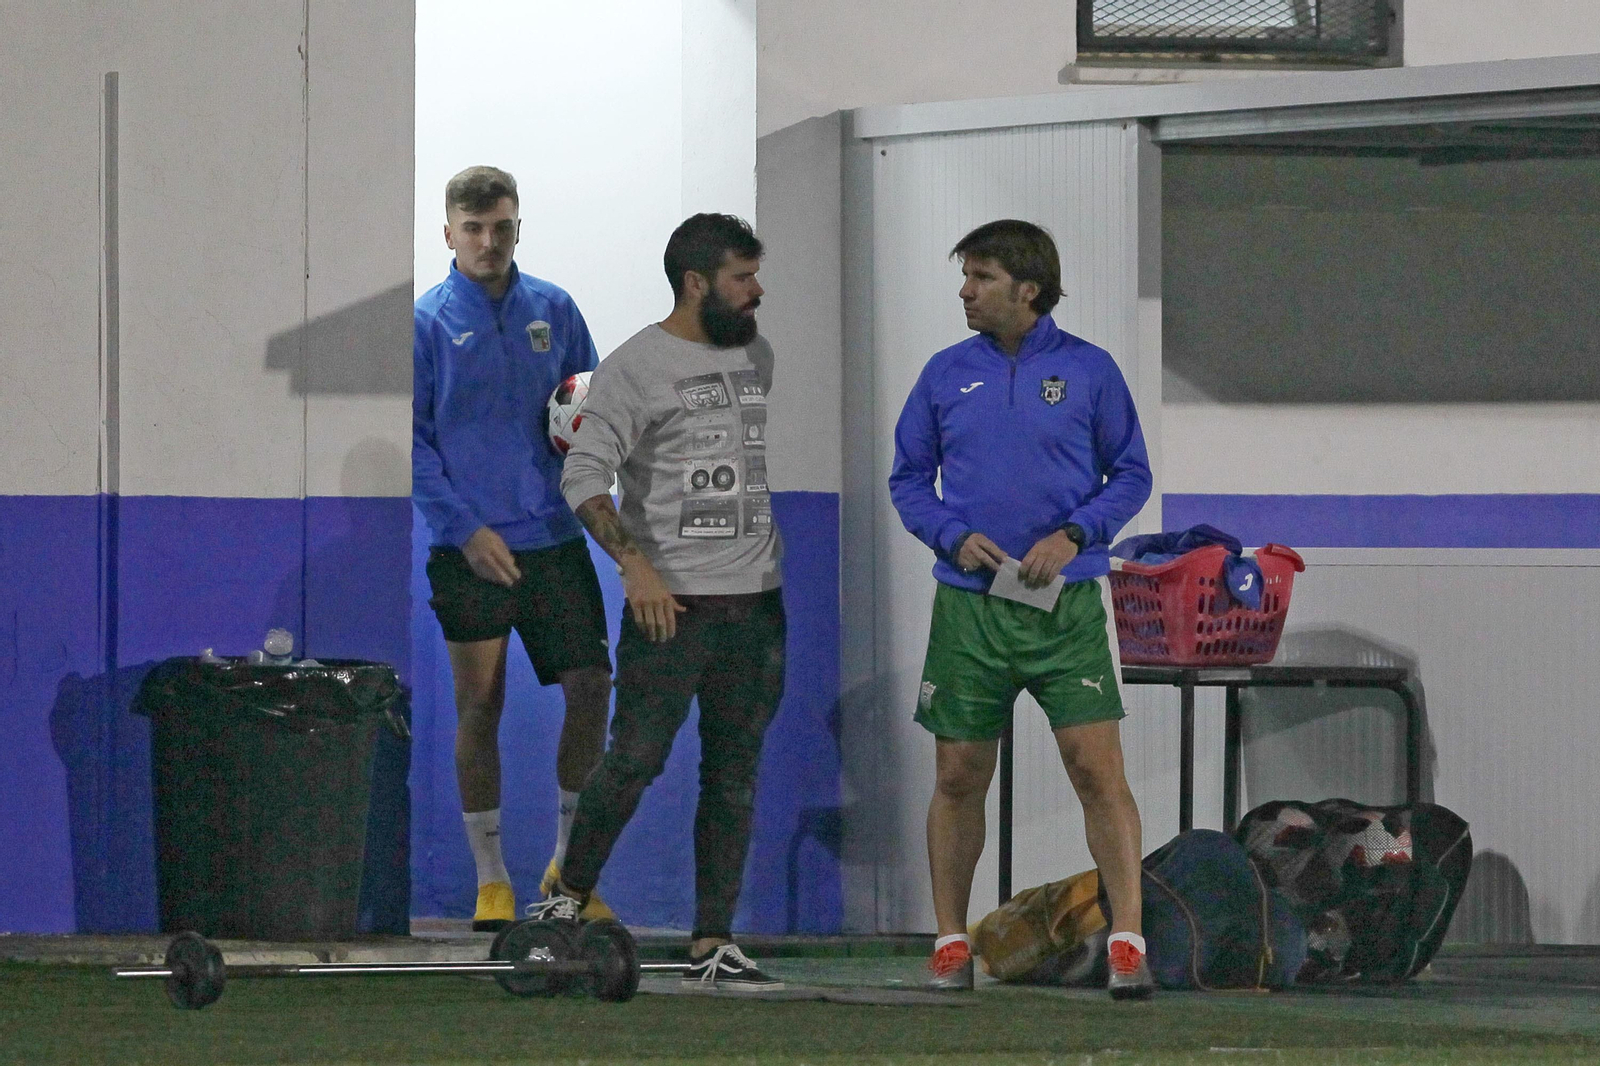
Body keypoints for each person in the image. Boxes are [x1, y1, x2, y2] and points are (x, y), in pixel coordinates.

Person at [888, 219, 1155, 999]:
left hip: (1063, 608)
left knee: (1095, 771)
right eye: (965, 277)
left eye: (981, 277)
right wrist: (951, 534)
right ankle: (948, 942)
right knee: (959, 772)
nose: (966, 292)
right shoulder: (944, 374)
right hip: (969, 610)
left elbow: (1130, 475)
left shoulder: (1091, 372)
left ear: (1027, 289)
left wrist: (1076, 536)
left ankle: (1129, 939)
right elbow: (908, 479)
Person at [529, 213, 787, 992]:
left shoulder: (755, 353)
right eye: (743, 278)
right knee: (635, 760)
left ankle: (714, 941)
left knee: (734, 775)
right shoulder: (635, 366)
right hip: (670, 610)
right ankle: (564, 904)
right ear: (697, 283)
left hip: (759, 608)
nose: (758, 291)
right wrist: (635, 567)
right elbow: (582, 476)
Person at [413, 165, 615, 931]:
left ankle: (569, 870)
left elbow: (590, 409)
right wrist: (466, 531)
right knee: (480, 705)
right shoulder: (426, 321)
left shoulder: (554, 309)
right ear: (449, 236)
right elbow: (414, 440)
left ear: (518, 226)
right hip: (468, 549)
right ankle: (491, 877)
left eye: (501, 227)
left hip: (556, 539)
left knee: (593, 685)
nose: (488, 242)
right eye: (473, 230)